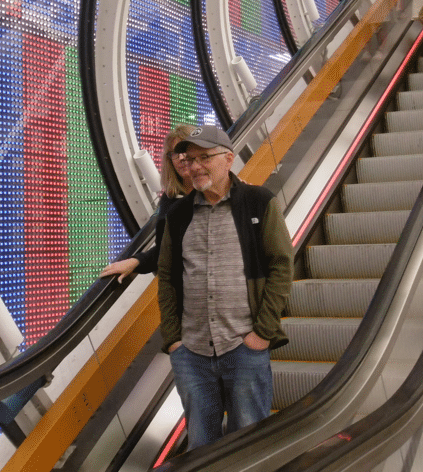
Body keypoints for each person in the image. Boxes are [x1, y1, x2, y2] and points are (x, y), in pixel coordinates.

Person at [157, 124, 293, 450]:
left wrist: (262, 333)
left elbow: (281, 267)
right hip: (193, 353)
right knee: (201, 447)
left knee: (247, 445)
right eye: (190, 159)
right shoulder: (177, 214)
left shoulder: (259, 203)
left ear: (229, 158)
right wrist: (175, 340)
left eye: (205, 157)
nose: (195, 166)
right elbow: (167, 277)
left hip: (244, 346)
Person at [101, 124, 197, 281]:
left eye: (184, 149)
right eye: (174, 153)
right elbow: (165, 249)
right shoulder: (170, 200)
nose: (180, 158)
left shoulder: (222, 190)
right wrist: (136, 261)